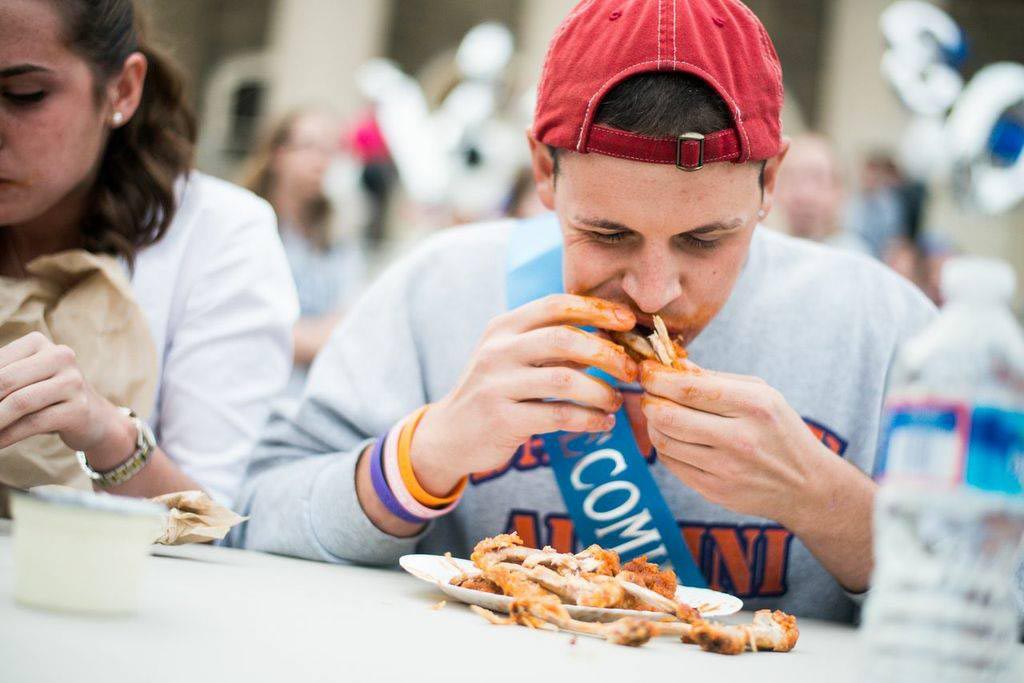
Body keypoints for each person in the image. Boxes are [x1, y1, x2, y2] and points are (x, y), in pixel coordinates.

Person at [231, 0, 937, 623]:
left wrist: (830, 504)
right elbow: (252, 511)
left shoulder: (880, 327)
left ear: (770, 182)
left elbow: (1005, 599)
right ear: (544, 170)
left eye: (705, 238)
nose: (655, 290)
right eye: (607, 234)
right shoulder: (437, 288)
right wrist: (424, 456)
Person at [0, 0, 296, 505]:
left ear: (123, 88)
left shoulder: (216, 236)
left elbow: (208, 521)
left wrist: (107, 433)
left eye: (25, 95)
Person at [240, 109, 367, 395]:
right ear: (278, 154)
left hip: (315, 400)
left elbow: (355, 325)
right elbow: (253, 330)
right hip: (255, 397)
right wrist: (314, 335)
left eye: (331, 150)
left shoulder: (339, 240)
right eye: (310, 147)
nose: (322, 161)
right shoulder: (247, 230)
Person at [773, 134, 870, 254]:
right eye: (792, 179)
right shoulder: (761, 257)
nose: (804, 195)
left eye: (817, 179)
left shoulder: (856, 260)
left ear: (842, 190)